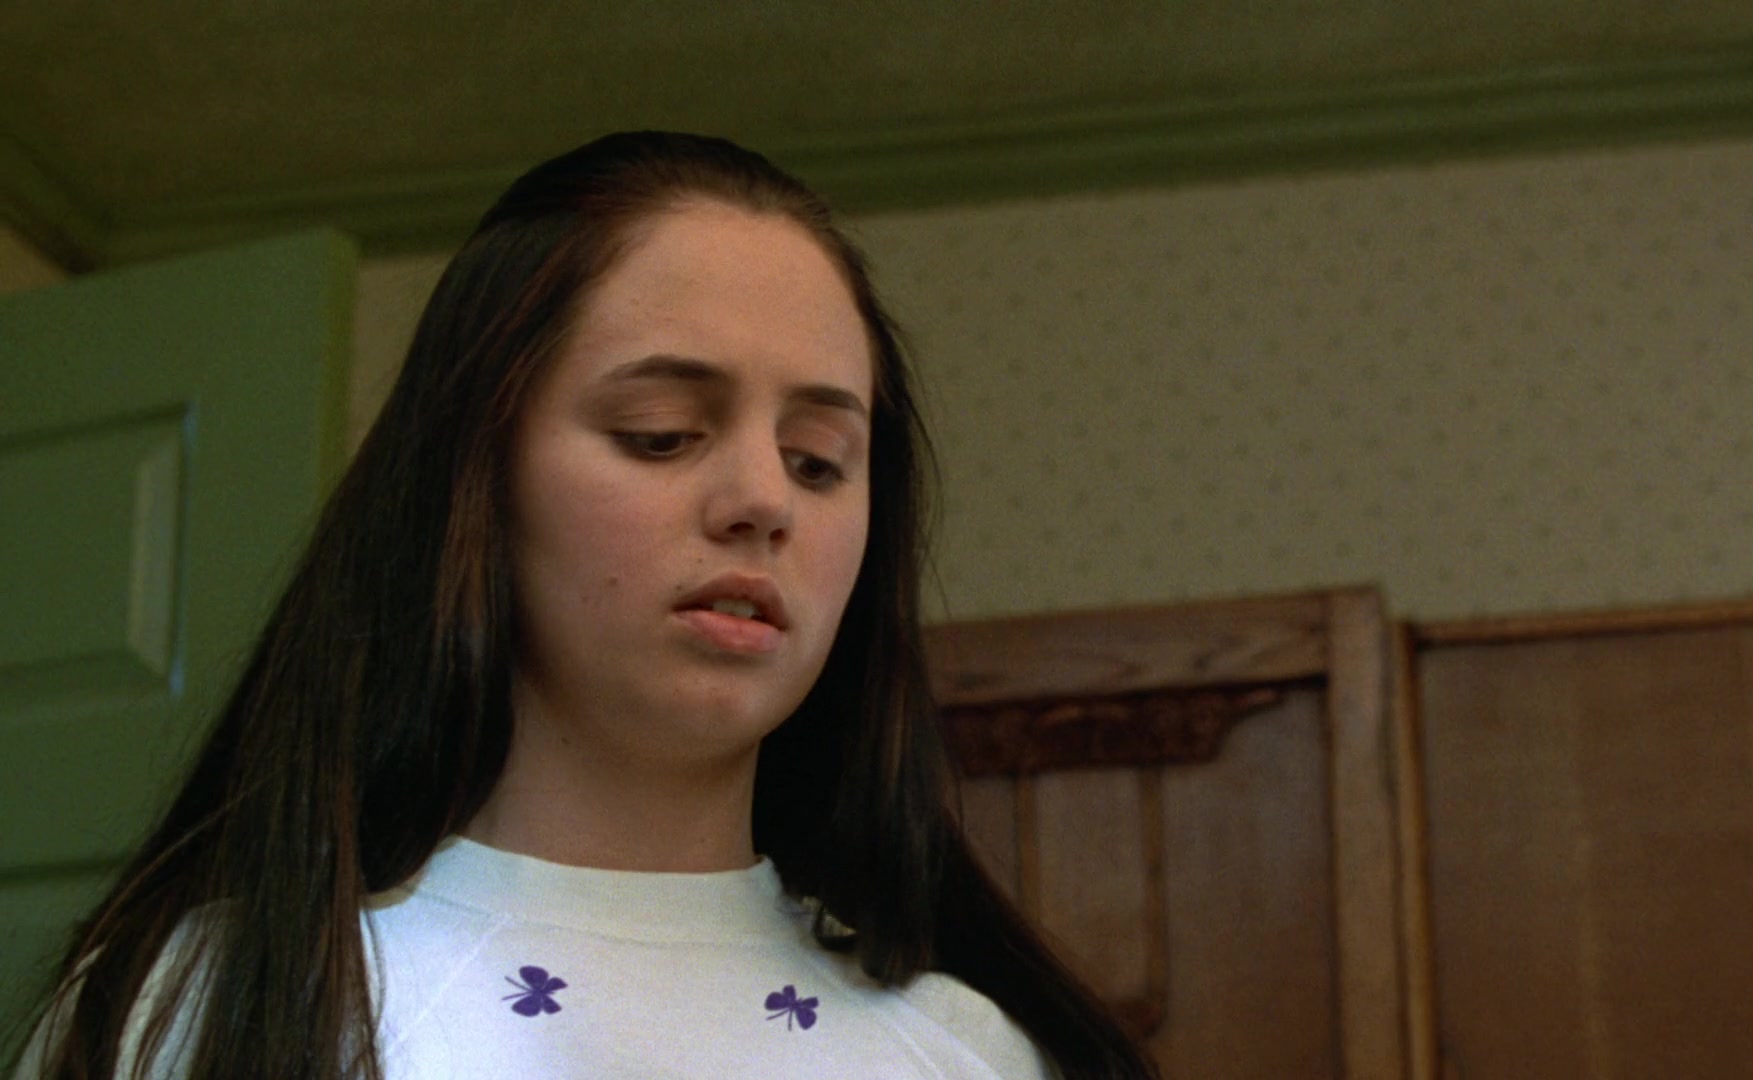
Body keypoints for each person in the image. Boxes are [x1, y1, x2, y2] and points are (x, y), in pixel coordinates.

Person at [11, 131, 1156, 1079]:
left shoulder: (970, 1053)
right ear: (476, 477)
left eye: (817, 460)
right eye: (662, 434)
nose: (763, 501)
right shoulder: (209, 1005)